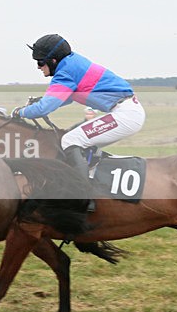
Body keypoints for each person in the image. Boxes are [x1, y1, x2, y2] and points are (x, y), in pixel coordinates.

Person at [12, 34, 145, 210]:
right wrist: (42, 100)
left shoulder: (65, 72)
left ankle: (82, 198)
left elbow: (45, 108)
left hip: (125, 115)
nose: (38, 67)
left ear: (53, 60)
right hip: (126, 112)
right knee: (80, 145)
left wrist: (20, 112)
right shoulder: (72, 63)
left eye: (40, 62)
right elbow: (64, 98)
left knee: (69, 140)